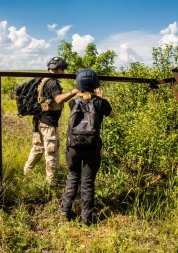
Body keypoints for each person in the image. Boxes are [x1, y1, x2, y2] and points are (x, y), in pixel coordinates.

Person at [60, 68, 116, 226]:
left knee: (73, 177)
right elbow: (113, 115)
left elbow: (80, 101)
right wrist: (101, 99)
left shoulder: (73, 102)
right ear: (95, 85)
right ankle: (86, 219)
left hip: (74, 147)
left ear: (79, 85)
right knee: (88, 182)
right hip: (92, 147)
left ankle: (65, 210)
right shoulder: (101, 103)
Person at [23, 57, 79, 184]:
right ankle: (51, 182)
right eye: (62, 69)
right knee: (51, 152)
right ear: (56, 69)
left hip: (38, 121)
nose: (64, 72)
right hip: (48, 123)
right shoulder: (53, 83)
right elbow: (59, 99)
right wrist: (75, 91)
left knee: (37, 149)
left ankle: (26, 172)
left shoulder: (43, 79)